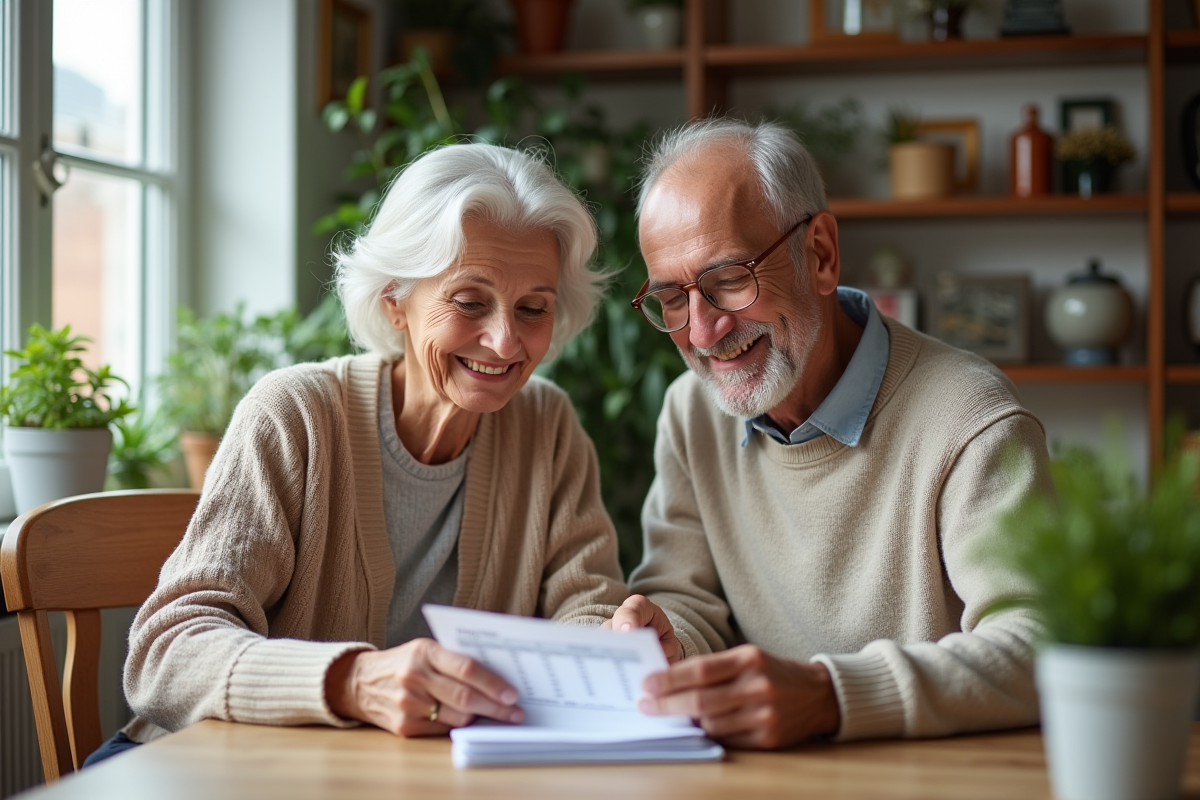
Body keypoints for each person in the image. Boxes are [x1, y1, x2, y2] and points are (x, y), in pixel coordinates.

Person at [95, 143, 631, 765]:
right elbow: (166, 653)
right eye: (470, 300)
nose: (505, 339)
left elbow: (586, 606)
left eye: (533, 308)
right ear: (394, 300)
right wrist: (353, 682)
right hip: (208, 771)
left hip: (394, 777)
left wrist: (610, 641)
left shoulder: (547, 424)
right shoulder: (296, 416)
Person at [608, 118, 1053, 749]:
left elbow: (1040, 644)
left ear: (818, 253)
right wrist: (662, 636)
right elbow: (686, 600)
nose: (702, 333)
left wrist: (831, 697)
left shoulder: (970, 418)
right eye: (672, 299)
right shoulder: (691, 412)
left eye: (730, 279)